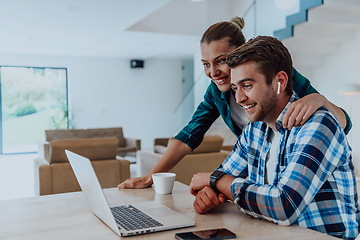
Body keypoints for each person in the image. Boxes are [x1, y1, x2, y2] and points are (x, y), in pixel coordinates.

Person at [118, 17, 352, 189]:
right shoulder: (216, 93)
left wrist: (320, 100)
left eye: (220, 61)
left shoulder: (279, 77)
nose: (212, 72)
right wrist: (152, 176)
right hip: (262, 170)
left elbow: (342, 124)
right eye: (205, 64)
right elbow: (190, 133)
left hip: (302, 172)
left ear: (240, 53)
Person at [189, 36, 360, 240]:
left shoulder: (318, 125)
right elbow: (220, 178)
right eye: (235, 88)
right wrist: (211, 192)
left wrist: (218, 181)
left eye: (248, 85)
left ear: (280, 81)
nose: (239, 98)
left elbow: (283, 205)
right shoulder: (255, 130)